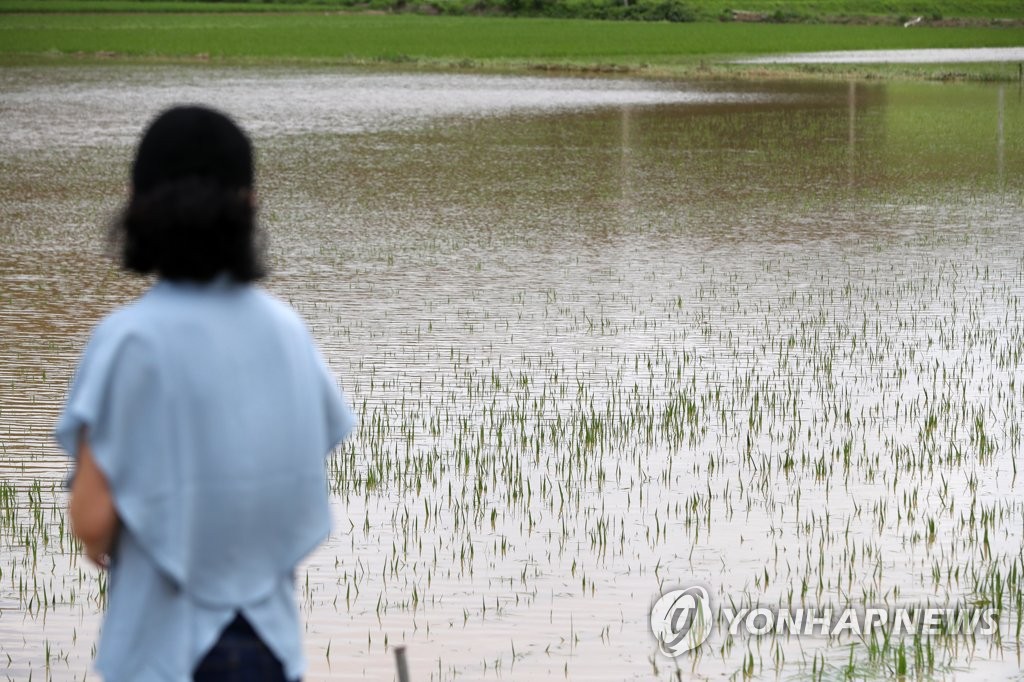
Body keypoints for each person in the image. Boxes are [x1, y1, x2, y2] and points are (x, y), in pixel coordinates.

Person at [55, 105, 355, 681]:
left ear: (136, 205)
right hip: (270, 644)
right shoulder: (287, 330)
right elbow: (299, 468)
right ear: (249, 206)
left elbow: (93, 519)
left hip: (165, 650)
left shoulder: (129, 340)